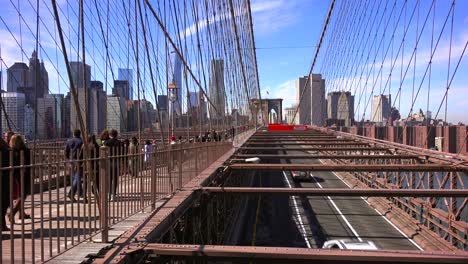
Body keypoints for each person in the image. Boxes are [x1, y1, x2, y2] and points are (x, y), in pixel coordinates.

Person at [8, 134, 31, 222]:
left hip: (14, 175)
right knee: (22, 195)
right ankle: (12, 212)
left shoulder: (11, 151)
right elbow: (28, 163)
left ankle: (22, 214)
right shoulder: (26, 151)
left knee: (19, 195)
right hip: (24, 175)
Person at [65, 129, 84, 202]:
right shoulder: (81, 141)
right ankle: (71, 193)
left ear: (73, 134)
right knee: (77, 178)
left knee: (75, 177)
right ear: (79, 134)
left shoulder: (69, 141)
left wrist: (68, 160)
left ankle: (81, 193)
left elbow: (66, 152)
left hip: (71, 160)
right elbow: (82, 152)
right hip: (78, 161)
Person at [104, 129, 121, 200]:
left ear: (109, 135)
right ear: (116, 135)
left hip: (108, 162)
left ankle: (108, 193)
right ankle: (113, 194)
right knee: (115, 179)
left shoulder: (106, 142)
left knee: (109, 178)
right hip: (116, 161)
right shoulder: (119, 143)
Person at [0, 138, 10, 231]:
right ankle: (2, 224)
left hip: (5, 179)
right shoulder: (6, 151)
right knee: (4, 202)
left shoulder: (6, 151)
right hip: (5, 180)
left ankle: (3, 224)